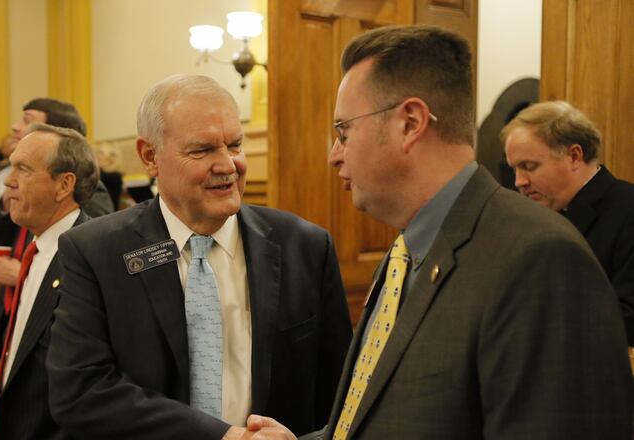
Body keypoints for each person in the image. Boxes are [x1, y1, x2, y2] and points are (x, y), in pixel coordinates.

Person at [246, 25, 633, 440]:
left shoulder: (540, 258)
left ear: (410, 123)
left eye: (344, 131)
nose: (333, 155)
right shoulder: (404, 254)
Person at [46, 74, 352, 439]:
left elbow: (340, 393)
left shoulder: (305, 247)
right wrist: (223, 437)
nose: (227, 165)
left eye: (235, 145)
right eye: (202, 150)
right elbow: (80, 392)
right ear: (150, 156)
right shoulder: (94, 251)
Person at [0, 97, 114, 361]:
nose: (14, 126)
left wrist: (22, 273)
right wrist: (7, 207)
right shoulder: (23, 192)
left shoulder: (89, 197)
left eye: (27, 120)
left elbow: (85, 256)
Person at [0, 123, 99, 439]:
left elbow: (90, 383)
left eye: (22, 170)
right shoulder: (35, 245)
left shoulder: (91, 258)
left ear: (64, 185)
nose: (8, 183)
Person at [502, 101, 634, 344]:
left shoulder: (627, 209)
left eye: (529, 166)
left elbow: (628, 318)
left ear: (574, 156)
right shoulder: (536, 217)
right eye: (514, 169)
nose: (519, 181)